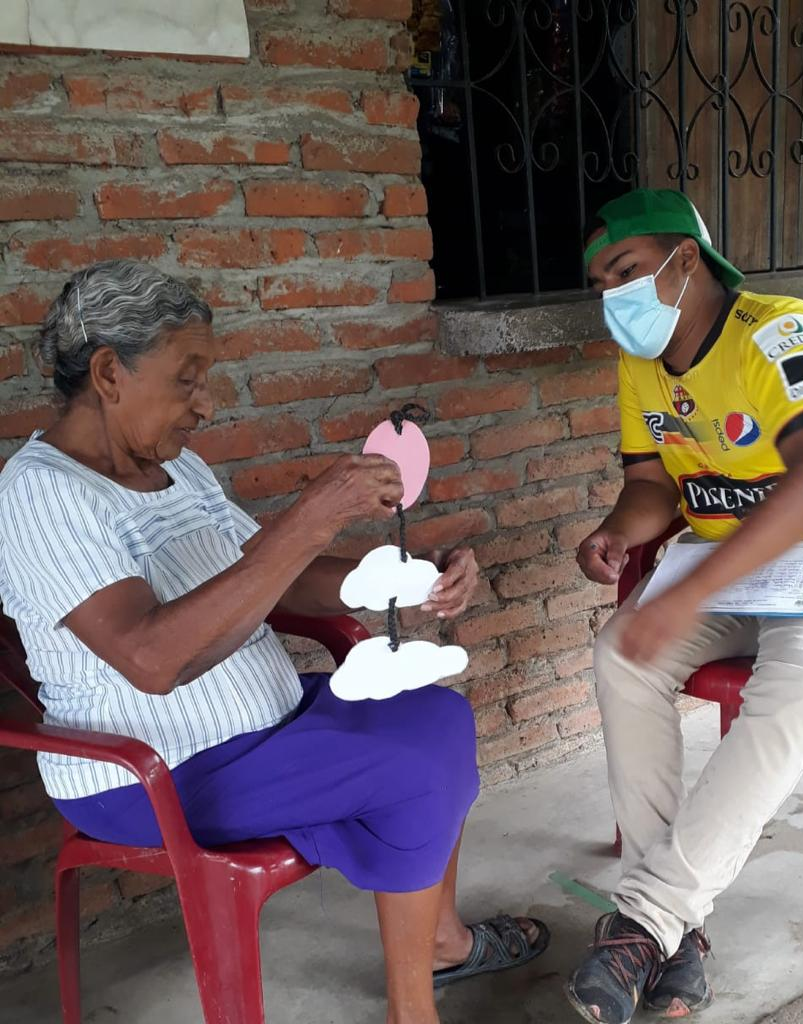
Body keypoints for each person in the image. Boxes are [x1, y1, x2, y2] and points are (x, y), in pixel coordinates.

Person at [0, 260, 548, 1024]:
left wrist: (409, 579)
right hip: (154, 769)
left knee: (439, 717)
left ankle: (439, 941)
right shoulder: (41, 492)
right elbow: (152, 660)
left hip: (264, 724)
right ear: (109, 373)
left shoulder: (178, 469)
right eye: (187, 380)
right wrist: (311, 516)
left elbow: (273, 578)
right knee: (416, 768)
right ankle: (414, 1007)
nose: (205, 404)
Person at [566, 190, 803, 1024]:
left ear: (685, 259)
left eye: (624, 269)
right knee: (622, 654)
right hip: (732, 563)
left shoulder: (779, 331)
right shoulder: (641, 363)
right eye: (599, 283)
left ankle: (645, 921)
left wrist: (685, 592)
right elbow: (651, 484)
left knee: (802, 680)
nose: (612, 294)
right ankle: (672, 933)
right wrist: (616, 532)